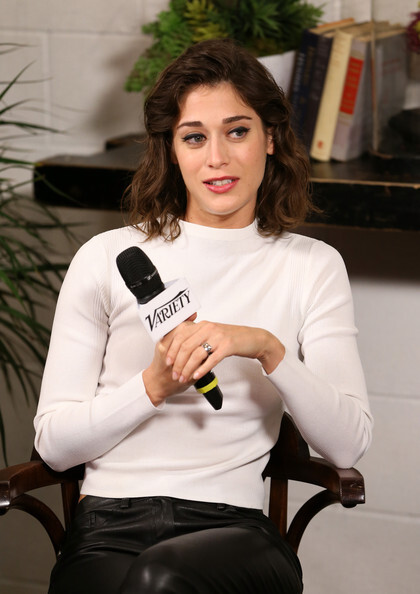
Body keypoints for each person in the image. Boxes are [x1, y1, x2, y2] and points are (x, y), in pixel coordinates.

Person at [34, 38, 373, 594]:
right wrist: (153, 385)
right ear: (172, 150)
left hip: (233, 529)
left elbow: (347, 444)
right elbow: (54, 444)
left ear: (270, 138)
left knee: (159, 579)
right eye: (194, 137)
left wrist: (266, 348)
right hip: (107, 527)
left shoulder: (312, 266)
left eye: (237, 131)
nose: (217, 157)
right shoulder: (106, 258)